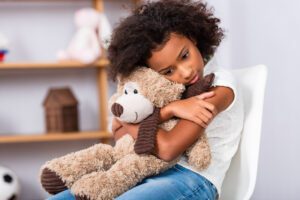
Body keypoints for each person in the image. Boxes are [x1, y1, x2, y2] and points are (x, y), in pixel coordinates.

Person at [48, 0, 244, 199]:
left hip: (193, 179)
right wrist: (169, 110)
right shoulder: (164, 89)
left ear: (193, 38)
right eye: (168, 71)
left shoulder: (219, 87)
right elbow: (120, 135)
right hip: (146, 170)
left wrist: (129, 120)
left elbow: (167, 149)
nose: (185, 72)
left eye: (184, 55)